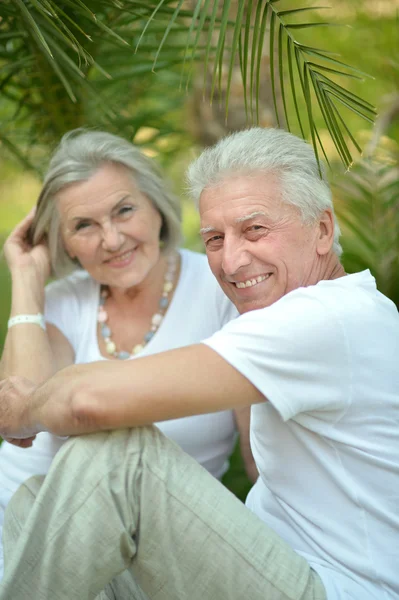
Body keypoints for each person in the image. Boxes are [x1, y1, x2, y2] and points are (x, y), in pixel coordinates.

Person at [0, 127, 398, 600]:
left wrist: (20, 410)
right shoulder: (298, 313)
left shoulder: (325, 319)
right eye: (214, 238)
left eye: (255, 229)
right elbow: (262, 462)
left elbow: (87, 401)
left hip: (334, 588)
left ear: (323, 229)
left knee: (121, 456)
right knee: (32, 502)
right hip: (277, 560)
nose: (231, 261)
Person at [0, 130, 257, 583]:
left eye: (124, 210)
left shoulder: (221, 290)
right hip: (19, 527)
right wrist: (26, 280)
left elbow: (261, 462)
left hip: (149, 550)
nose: (112, 239)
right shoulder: (63, 299)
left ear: (156, 207)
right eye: (84, 226)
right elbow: (20, 420)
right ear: (64, 243)